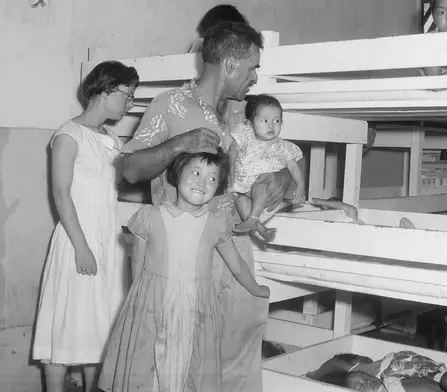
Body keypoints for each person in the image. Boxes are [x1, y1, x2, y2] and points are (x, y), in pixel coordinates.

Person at [120, 22, 290, 392]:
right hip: (182, 262)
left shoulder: (246, 115)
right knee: (179, 362)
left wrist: (284, 179)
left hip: (232, 249)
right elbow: (130, 169)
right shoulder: (171, 106)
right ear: (229, 64)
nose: (255, 76)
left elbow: (280, 160)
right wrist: (179, 144)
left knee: (239, 350)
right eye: (251, 67)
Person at [99, 149, 270, 392]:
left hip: (195, 308)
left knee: (188, 365)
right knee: (151, 364)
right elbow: (137, 269)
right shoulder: (150, 217)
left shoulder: (215, 223)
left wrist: (255, 287)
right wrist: (137, 307)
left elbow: (236, 264)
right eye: (196, 173)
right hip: (154, 304)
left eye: (212, 179)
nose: (203, 182)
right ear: (177, 175)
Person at [32, 61, 138, 392]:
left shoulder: (110, 136)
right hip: (78, 240)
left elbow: (114, 190)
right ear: (106, 90)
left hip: (108, 242)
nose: (130, 103)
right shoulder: (68, 135)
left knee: (101, 332)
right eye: (128, 95)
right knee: (65, 328)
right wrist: (81, 247)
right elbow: (61, 195)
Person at [228, 94, 305, 240]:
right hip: (243, 188)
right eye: (264, 121)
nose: (271, 126)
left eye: (277, 121)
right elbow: (232, 151)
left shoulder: (281, 146)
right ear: (250, 123)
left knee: (261, 184)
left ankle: (253, 218)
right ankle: (262, 229)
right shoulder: (244, 134)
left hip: (264, 189)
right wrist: (230, 166)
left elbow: (293, 167)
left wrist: (300, 185)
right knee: (240, 201)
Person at [308, 352, 447, 392]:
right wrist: (315, 375)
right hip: (440, 380)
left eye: (364, 378)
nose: (366, 380)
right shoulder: (367, 372)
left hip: (437, 373)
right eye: (359, 385)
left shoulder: (373, 369)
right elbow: (334, 363)